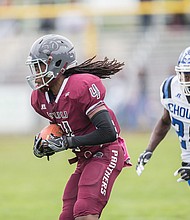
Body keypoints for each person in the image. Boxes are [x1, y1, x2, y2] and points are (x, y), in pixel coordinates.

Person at [25, 34, 132, 220]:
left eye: (39, 65)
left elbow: (109, 132)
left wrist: (67, 142)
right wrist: (47, 144)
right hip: (84, 157)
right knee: (67, 216)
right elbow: (62, 124)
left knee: (85, 212)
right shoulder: (40, 98)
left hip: (106, 152)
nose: (36, 72)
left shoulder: (80, 87)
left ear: (56, 64)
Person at [136, 46, 190, 186]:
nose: (188, 80)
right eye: (186, 75)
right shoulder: (170, 88)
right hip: (187, 164)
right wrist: (149, 149)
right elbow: (166, 121)